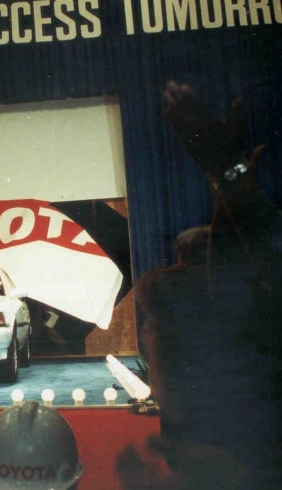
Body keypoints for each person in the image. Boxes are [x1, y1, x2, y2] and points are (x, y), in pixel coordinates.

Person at [120, 82, 282, 489]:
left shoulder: (171, 301)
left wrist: (227, 173)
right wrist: (229, 173)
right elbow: (247, 261)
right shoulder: (229, 308)